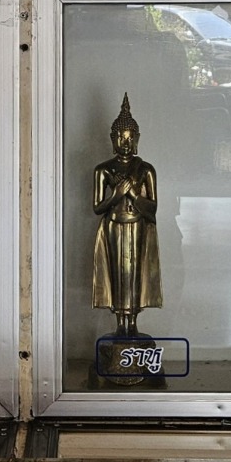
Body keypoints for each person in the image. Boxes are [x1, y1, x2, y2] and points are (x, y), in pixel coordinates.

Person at [91, 94, 162, 336]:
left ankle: (133, 322)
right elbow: (97, 207)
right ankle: (120, 323)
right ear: (113, 139)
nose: (126, 142)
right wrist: (117, 195)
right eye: (121, 137)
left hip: (137, 224)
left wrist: (132, 194)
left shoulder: (146, 169)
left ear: (137, 138)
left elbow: (152, 208)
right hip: (114, 225)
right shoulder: (103, 169)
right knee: (117, 273)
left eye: (131, 138)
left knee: (135, 273)